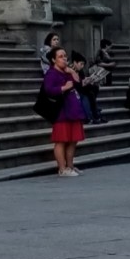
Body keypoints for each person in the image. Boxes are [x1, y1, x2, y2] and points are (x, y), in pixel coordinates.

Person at [42, 44, 86, 176]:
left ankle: (70, 166)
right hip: (61, 111)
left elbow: (78, 84)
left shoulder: (67, 72)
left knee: (73, 140)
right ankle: (62, 168)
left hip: (73, 110)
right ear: (54, 60)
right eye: (61, 57)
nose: (64, 59)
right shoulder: (51, 73)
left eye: (65, 56)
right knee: (61, 140)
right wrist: (64, 88)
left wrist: (73, 72)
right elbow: (48, 90)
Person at [71, 51, 107, 124]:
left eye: (83, 64)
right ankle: (95, 115)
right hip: (74, 90)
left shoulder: (80, 71)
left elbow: (83, 79)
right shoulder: (70, 70)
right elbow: (72, 84)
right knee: (90, 93)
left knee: (95, 88)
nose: (82, 66)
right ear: (75, 62)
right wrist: (83, 83)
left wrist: (90, 80)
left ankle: (94, 113)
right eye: (81, 64)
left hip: (82, 88)